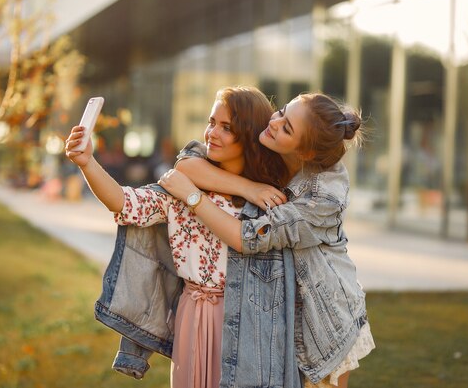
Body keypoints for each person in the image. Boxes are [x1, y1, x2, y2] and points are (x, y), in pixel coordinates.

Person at [64, 86, 290, 388]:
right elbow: (124, 203)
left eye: (227, 128)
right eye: (211, 122)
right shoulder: (181, 187)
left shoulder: (267, 196)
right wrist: (87, 163)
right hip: (192, 312)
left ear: (249, 134)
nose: (212, 133)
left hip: (246, 317)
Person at [160, 92, 375, 388]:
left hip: (323, 321)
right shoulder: (268, 145)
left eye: (287, 128)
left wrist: (192, 196)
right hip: (279, 314)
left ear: (306, 153)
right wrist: (248, 187)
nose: (275, 123)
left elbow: (246, 238)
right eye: (282, 112)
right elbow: (187, 165)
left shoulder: (323, 196)